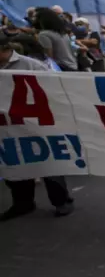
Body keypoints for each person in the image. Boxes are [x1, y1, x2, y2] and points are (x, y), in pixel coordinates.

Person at [0, 35, 76, 220]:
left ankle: (61, 201)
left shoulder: (31, 65)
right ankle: (23, 203)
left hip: (36, 123)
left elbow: (53, 89)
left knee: (48, 162)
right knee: (15, 162)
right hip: (8, 125)